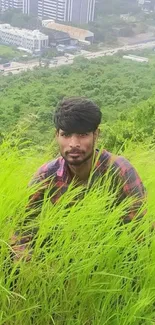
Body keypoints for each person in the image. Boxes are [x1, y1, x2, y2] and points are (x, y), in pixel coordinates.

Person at [11, 97, 146, 260]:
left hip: (111, 261)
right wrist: (31, 264)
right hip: (58, 262)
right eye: (66, 134)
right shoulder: (47, 175)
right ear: (57, 136)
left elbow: (140, 232)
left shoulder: (119, 171)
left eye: (83, 134)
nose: (73, 144)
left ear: (96, 134)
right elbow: (21, 228)